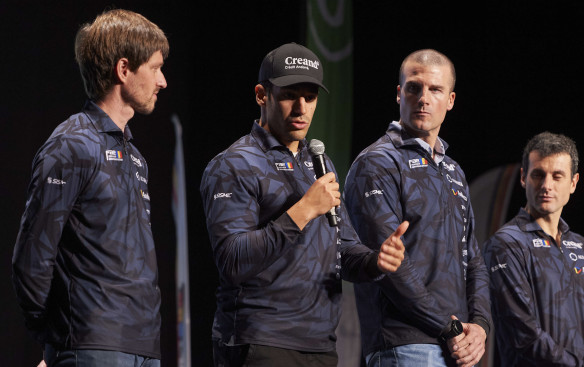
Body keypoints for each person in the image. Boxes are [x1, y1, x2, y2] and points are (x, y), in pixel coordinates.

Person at [199, 42, 408, 367]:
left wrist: (376, 261)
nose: (301, 108)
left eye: (310, 97)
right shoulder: (234, 164)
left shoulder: (319, 163)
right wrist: (304, 209)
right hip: (260, 342)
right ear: (261, 95)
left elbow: (344, 250)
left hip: (320, 345)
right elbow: (232, 261)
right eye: (288, 95)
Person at [11, 9, 169, 367]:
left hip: (144, 348)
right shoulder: (71, 145)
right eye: (156, 68)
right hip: (91, 346)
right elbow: (32, 256)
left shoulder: (136, 157)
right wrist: (53, 336)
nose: (163, 82)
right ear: (124, 69)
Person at [343, 49, 491, 367]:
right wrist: (449, 327)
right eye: (414, 87)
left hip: (459, 347)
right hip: (405, 345)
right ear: (400, 94)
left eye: (435, 89)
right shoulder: (377, 162)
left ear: (450, 100)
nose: (423, 98)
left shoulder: (453, 170)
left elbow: (474, 260)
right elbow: (390, 265)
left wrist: (480, 325)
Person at [482, 132, 584, 367]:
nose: (547, 186)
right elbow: (523, 333)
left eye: (557, 176)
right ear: (524, 178)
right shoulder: (505, 244)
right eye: (538, 175)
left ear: (573, 182)